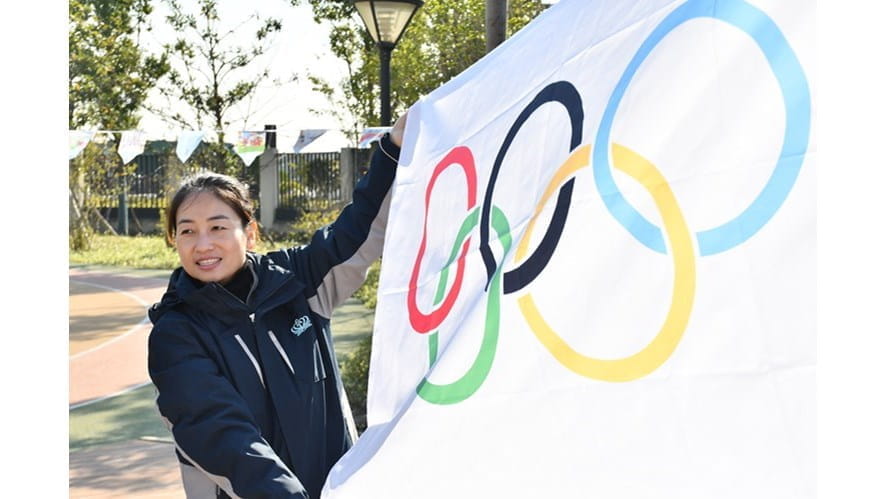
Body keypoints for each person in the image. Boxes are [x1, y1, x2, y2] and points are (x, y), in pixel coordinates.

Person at [147, 113, 407, 498]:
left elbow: (359, 229)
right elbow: (224, 435)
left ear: (249, 233)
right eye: (187, 231)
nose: (203, 245)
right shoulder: (175, 333)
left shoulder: (297, 280)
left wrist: (393, 150)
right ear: (174, 239)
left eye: (218, 227)